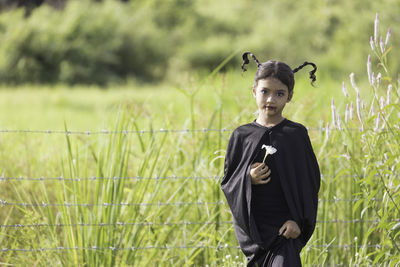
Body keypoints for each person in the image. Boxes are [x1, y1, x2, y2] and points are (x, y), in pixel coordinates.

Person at [220, 52, 321, 266]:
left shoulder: (296, 135)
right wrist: (248, 178)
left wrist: (298, 222)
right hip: (256, 232)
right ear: (254, 91)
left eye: (279, 93)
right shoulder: (241, 135)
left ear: (290, 96)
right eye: (265, 91)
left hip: (286, 230)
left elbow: (309, 184)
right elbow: (229, 182)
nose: (270, 99)